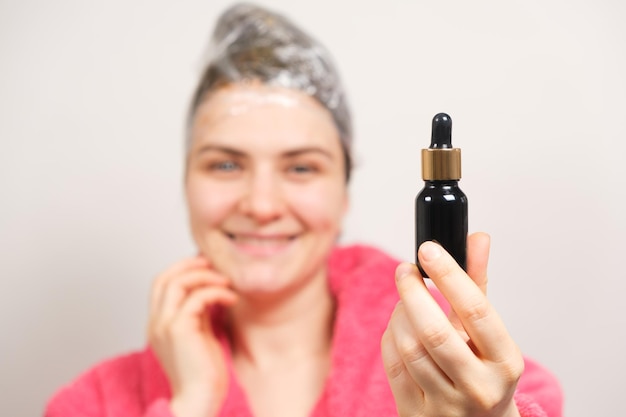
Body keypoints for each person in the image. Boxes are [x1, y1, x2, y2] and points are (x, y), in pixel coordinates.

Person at [45, 3, 563, 417]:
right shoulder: (90, 405)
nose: (263, 205)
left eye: (301, 168)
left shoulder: (484, 391)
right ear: (186, 181)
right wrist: (189, 408)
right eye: (225, 165)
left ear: (344, 190)